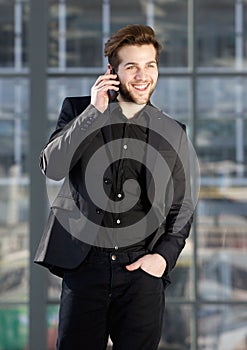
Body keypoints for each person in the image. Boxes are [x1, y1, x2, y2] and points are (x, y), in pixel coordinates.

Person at [35, 24, 194, 350]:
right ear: (112, 71)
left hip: (142, 272)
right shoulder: (79, 111)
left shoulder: (173, 131)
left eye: (150, 65)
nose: (142, 75)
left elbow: (182, 205)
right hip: (85, 268)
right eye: (131, 66)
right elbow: (52, 167)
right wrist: (93, 112)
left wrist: (162, 259)